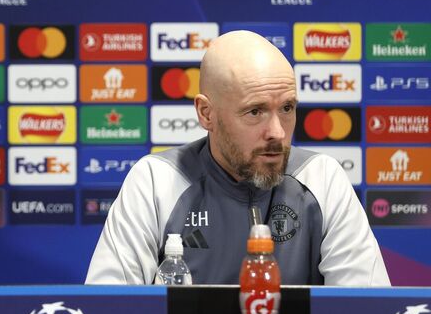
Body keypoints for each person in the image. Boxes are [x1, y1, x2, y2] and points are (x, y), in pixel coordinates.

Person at [86, 30, 390, 286]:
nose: (277, 133)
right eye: (255, 111)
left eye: (287, 108)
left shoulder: (322, 179)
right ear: (206, 113)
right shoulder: (156, 181)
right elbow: (109, 313)